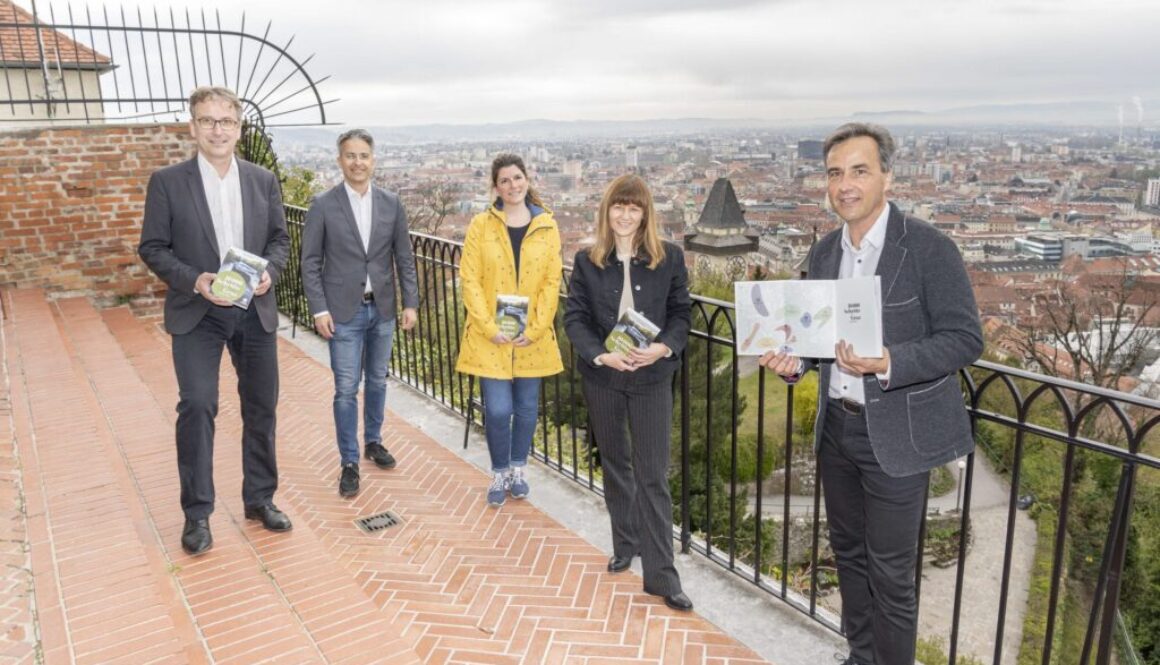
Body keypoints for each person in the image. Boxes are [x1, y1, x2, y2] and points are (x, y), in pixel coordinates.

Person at [759, 123, 982, 665]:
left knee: (892, 576)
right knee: (851, 559)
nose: (845, 184)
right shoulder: (826, 250)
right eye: (836, 173)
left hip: (898, 436)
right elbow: (815, 342)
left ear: (888, 175)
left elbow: (964, 339)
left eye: (859, 170)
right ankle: (861, 656)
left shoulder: (929, 247)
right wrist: (792, 365)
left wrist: (890, 361)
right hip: (837, 428)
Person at [138, 86, 293, 556]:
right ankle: (198, 514)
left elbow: (280, 242)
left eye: (225, 121)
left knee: (261, 407)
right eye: (207, 121)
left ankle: (260, 499)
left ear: (239, 128)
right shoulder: (167, 182)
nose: (217, 129)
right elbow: (153, 248)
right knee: (199, 406)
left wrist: (269, 273)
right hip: (198, 312)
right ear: (193, 127)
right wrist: (194, 280)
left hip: (254, 312)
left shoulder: (262, 180)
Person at [564, 174, 694, 613]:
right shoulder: (587, 260)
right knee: (615, 463)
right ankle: (626, 542)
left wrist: (664, 347)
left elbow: (681, 313)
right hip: (604, 376)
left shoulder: (669, 258)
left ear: (645, 214)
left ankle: (662, 576)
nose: (625, 214)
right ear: (607, 211)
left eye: (633, 208)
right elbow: (576, 318)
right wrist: (601, 355)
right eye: (618, 206)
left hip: (652, 378)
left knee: (652, 474)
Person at [300, 128, 419, 498]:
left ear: (373, 159)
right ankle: (349, 462)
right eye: (350, 156)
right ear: (340, 161)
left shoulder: (391, 203)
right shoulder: (323, 204)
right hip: (343, 313)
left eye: (363, 155)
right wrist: (319, 308)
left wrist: (410, 303)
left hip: (382, 309)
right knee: (346, 390)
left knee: (379, 382)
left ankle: (373, 442)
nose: (357, 162)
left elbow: (404, 257)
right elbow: (310, 262)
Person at [455, 154, 563, 507]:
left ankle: (519, 468)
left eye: (518, 178)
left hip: (531, 335)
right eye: (505, 180)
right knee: (499, 410)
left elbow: (552, 280)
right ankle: (499, 470)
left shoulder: (548, 225)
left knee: (528, 408)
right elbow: (469, 278)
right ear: (495, 187)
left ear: (527, 180)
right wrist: (488, 327)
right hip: (491, 337)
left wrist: (536, 327)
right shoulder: (480, 225)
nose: (513, 185)